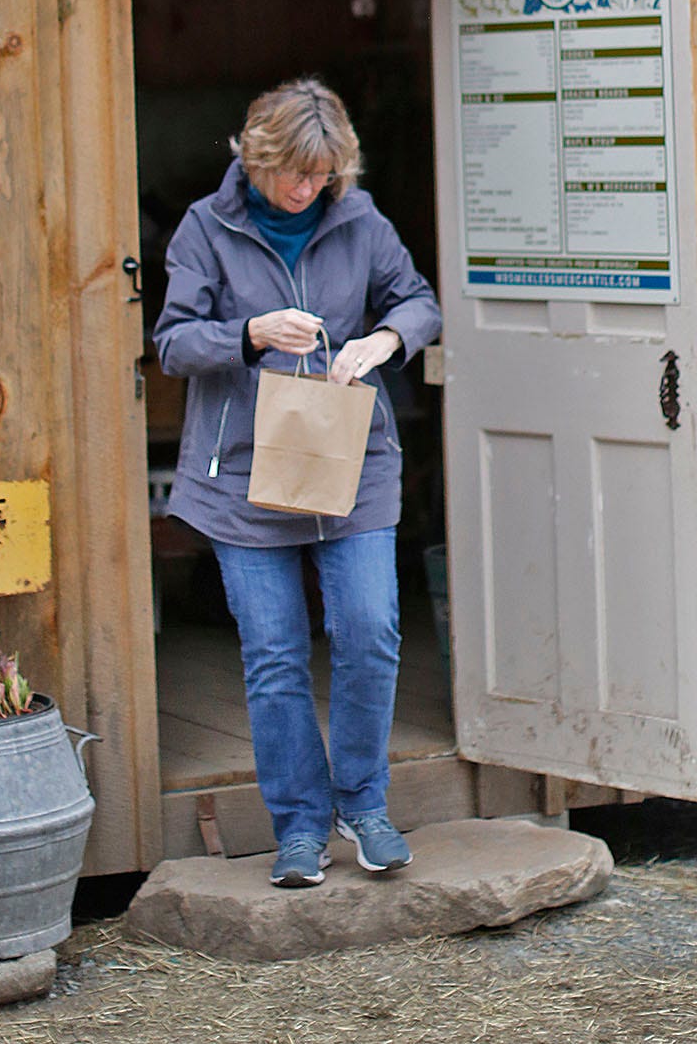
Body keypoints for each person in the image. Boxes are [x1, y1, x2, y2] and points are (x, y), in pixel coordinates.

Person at [154, 77, 442, 889]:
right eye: (294, 174)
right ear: (257, 158)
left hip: (351, 461)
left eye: (321, 175)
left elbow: (418, 301)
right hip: (242, 477)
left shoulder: (360, 216)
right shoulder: (206, 227)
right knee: (275, 654)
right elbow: (173, 341)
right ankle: (299, 827)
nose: (307, 190)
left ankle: (363, 801)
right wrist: (248, 334)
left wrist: (383, 342)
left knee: (370, 628)